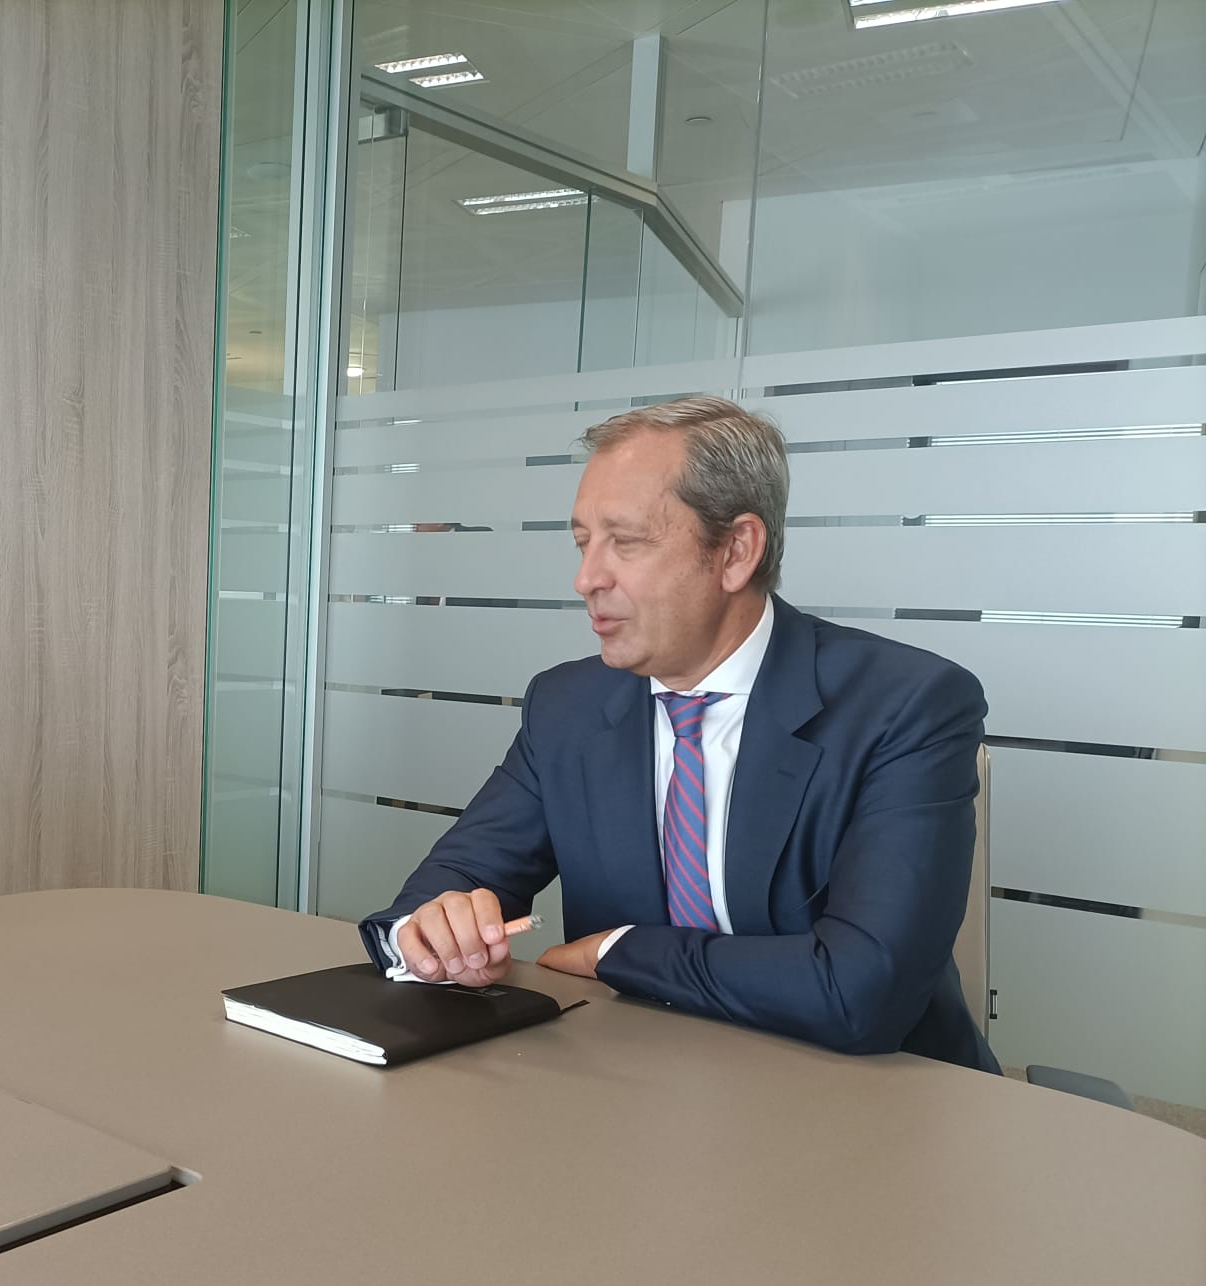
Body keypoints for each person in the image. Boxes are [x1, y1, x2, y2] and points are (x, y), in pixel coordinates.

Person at [361, 396, 998, 1072]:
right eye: (583, 544)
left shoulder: (905, 706)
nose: (586, 579)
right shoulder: (568, 705)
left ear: (735, 551)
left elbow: (860, 991)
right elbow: (450, 883)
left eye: (626, 543)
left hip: (874, 1101)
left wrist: (620, 952)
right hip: (630, 1080)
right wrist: (432, 928)